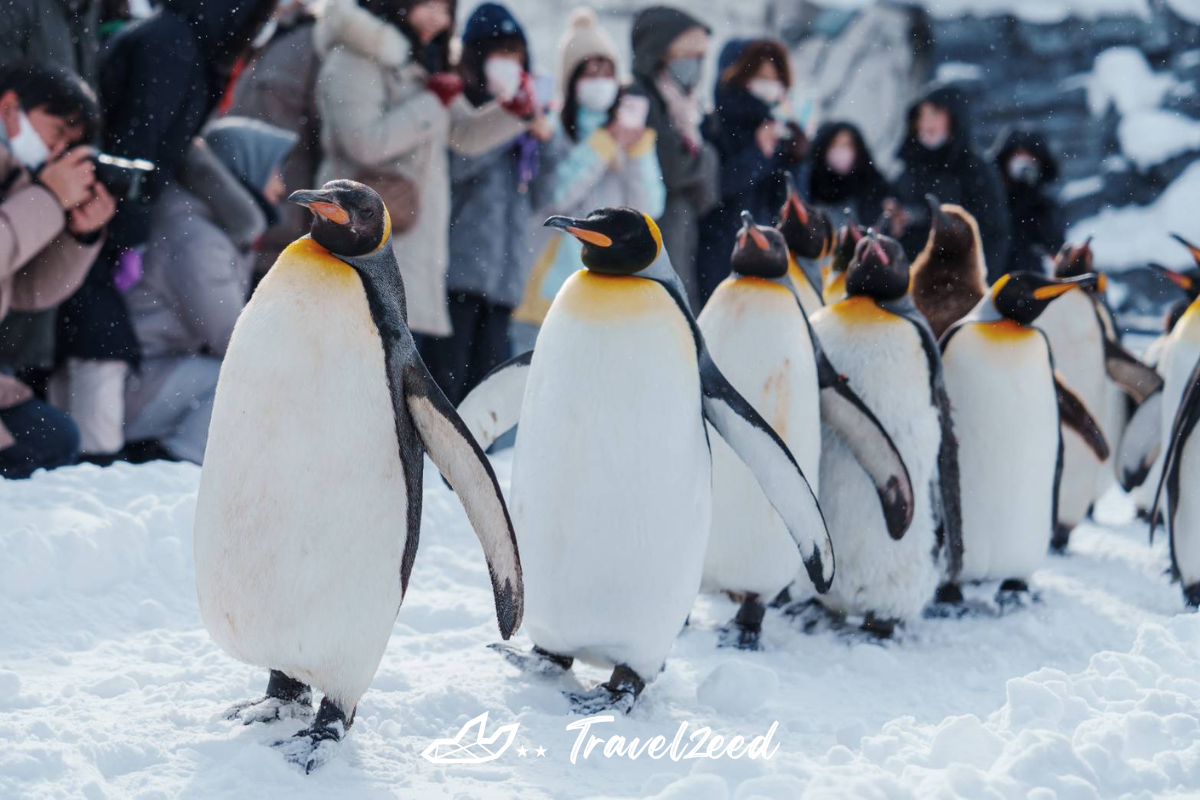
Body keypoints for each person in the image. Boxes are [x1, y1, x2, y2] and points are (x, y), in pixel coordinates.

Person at [52, 0, 277, 462]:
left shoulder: (179, 41)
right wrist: (125, 234)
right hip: (100, 212)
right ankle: (96, 460)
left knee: (99, 335)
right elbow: (141, 140)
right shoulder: (172, 47)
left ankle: (93, 455)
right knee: (98, 338)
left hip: (106, 211)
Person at [314, 0, 537, 343]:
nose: (439, 18)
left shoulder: (419, 64)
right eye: (429, 5)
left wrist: (513, 112)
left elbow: (463, 135)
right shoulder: (354, 57)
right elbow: (364, 143)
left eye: (446, 9)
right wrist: (433, 102)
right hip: (362, 241)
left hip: (410, 244)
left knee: (391, 379)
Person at [123, 118, 296, 464]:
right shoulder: (198, 237)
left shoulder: (211, 223)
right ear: (246, 167)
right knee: (252, 379)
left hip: (154, 370)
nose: (281, 185)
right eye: (274, 170)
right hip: (136, 381)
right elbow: (232, 339)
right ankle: (182, 465)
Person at [421, 2, 561, 405]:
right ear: (476, 56)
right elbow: (453, 167)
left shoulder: (527, 119)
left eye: (516, 55)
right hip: (458, 271)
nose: (508, 63)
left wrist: (543, 138)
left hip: (504, 276)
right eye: (499, 53)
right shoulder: (458, 103)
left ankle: (480, 467)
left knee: (487, 393)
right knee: (445, 387)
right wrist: (501, 121)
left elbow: (542, 194)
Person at [513, 6, 665, 331]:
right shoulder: (550, 131)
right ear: (571, 81)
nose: (601, 82)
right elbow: (555, 196)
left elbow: (650, 208)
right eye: (590, 73)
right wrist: (603, 144)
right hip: (547, 291)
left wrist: (637, 151)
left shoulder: (630, 136)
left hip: (610, 287)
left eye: (607, 73)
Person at [0, 62, 114, 478]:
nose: (55, 151)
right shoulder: (27, 182)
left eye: (69, 144)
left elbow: (27, 290)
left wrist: (80, 236)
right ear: (10, 107)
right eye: (57, 133)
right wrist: (48, 198)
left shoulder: (14, 175)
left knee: (54, 436)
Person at [696, 38, 806, 303]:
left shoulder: (779, 130)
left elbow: (791, 205)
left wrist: (796, 156)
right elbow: (713, 189)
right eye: (759, 76)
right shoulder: (712, 126)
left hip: (766, 254)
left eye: (774, 78)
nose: (768, 86)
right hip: (717, 252)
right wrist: (758, 154)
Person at [226, 0, 323, 279]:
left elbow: (326, 140)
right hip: (235, 210)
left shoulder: (313, 40)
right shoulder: (253, 29)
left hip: (284, 223)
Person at [630, 5, 719, 307]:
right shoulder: (639, 99)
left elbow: (707, 192)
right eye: (686, 53)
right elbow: (675, 169)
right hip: (649, 246)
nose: (694, 64)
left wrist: (701, 162)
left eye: (699, 56)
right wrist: (705, 160)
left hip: (680, 240)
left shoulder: (686, 109)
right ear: (659, 52)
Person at [892, 83, 1010, 276]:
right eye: (922, 115)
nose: (927, 123)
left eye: (936, 113)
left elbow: (994, 232)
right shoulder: (906, 170)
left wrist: (979, 285)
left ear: (955, 118)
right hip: (912, 284)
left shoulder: (976, 169)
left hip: (963, 283)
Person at [991, 127, 1065, 281]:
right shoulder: (990, 203)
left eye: (1030, 157)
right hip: (994, 284)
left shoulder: (1046, 207)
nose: (1023, 164)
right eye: (1017, 155)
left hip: (1034, 286)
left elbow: (1055, 248)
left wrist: (1031, 195)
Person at [807, 121, 893, 230]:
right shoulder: (809, 184)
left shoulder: (874, 187)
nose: (841, 151)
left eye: (847, 145)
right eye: (835, 144)